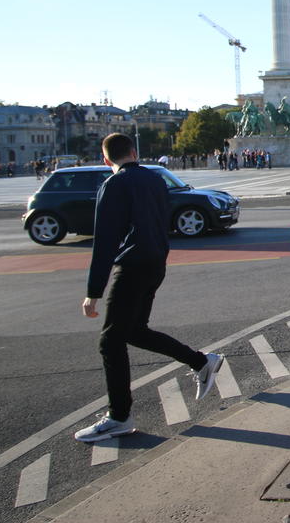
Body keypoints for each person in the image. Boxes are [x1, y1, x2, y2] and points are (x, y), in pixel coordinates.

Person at [74, 133, 224, 443]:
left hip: (132, 266)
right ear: (133, 151)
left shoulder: (113, 185)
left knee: (110, 342)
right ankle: (201, 361)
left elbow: (105, 241)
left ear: (106, 160)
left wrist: (94, 291)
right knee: (134, 331)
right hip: (156, 263)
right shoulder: (155, 179)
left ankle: (119, 416)